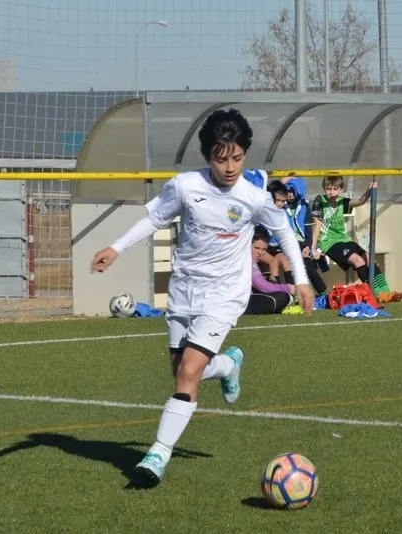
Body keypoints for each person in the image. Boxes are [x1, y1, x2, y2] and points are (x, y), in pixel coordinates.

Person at [90, 108, 314, 484]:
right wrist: (116, 248)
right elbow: (155, 218)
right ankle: (227, 365)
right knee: (182, 370)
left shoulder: (252, 196)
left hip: (225, 295)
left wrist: (302, 280)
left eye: (237, 158)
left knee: (188, 372)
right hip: (184, 291)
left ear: (245, 153)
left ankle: (157, 456)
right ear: (208, 155)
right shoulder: (185, 186)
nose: (230, 167)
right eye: (221, 158)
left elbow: (285, 232)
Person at [310, 173, 402, 303]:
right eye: (328, 189)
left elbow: (360, 201)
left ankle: (387, 293)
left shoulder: (342, 201)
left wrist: (370, 190)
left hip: (344, 240)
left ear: (341, 189)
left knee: (369, 257)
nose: (331, 192)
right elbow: (317, 225)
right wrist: (313, 248)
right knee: (358, 260)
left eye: (335, 189)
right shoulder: (320, 200)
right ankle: (376, 294)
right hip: (329, 243)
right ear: (324, 188)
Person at [266, 175, 329, 297]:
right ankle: (293, 296)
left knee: (308, 266)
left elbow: (308, 229)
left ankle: (325, 294)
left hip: (300, 243)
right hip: (283, 244)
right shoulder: (280, 205)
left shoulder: (304, 206)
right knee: (292, 263)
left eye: (292, 192)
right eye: (288, 192)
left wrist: (307, 246)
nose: (289, 195)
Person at [246, 227, 294, 314]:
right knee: (284, 297)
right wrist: (287, 288)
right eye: (256, 248)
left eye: (264, 249)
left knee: (281, 296)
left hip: (233, 298)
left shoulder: (249, 258)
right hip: (232, 302)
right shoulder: (246, 258)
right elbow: (262, 286)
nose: (260, 252)